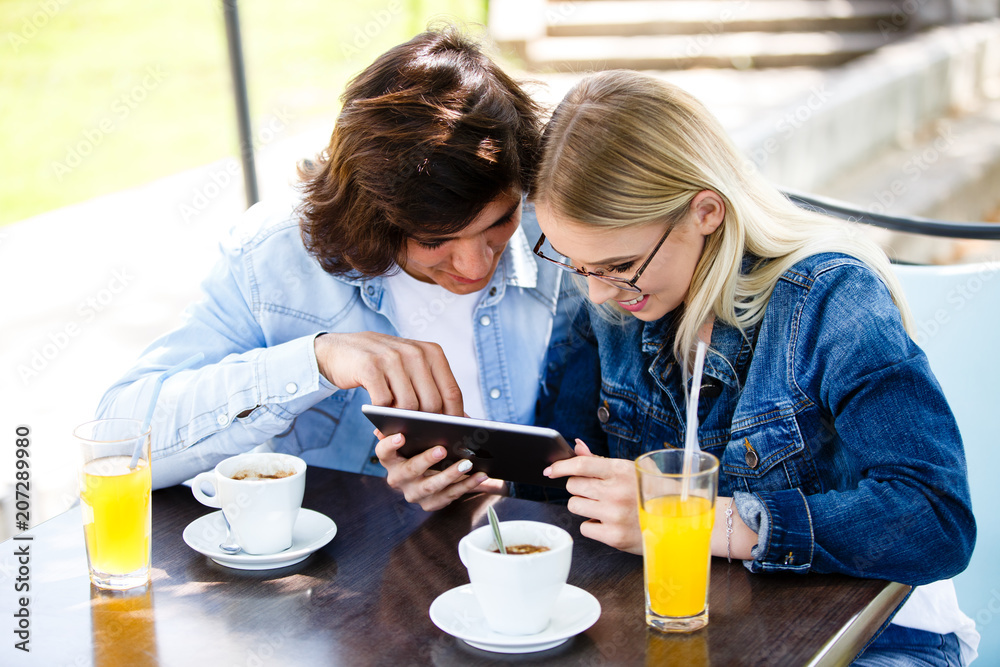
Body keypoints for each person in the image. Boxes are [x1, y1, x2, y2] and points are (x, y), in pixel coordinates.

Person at [526, 70, 979, 665]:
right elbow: (554, 479)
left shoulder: (830, 297)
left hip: (871, 639)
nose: (599, 295)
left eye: (619, 265)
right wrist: (471, 475)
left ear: (705, 212)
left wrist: (703, 523)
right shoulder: (614, 302)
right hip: (688, 629)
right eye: (576, 265)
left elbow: (934, 518)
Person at [96, 27, 578, 498]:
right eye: (435, 240)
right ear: (372, 218)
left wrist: (493, 486)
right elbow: (118, 443)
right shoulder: (273, 256)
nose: (474, 266)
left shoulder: (562, 232)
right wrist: (316, 361)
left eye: (501, 220)